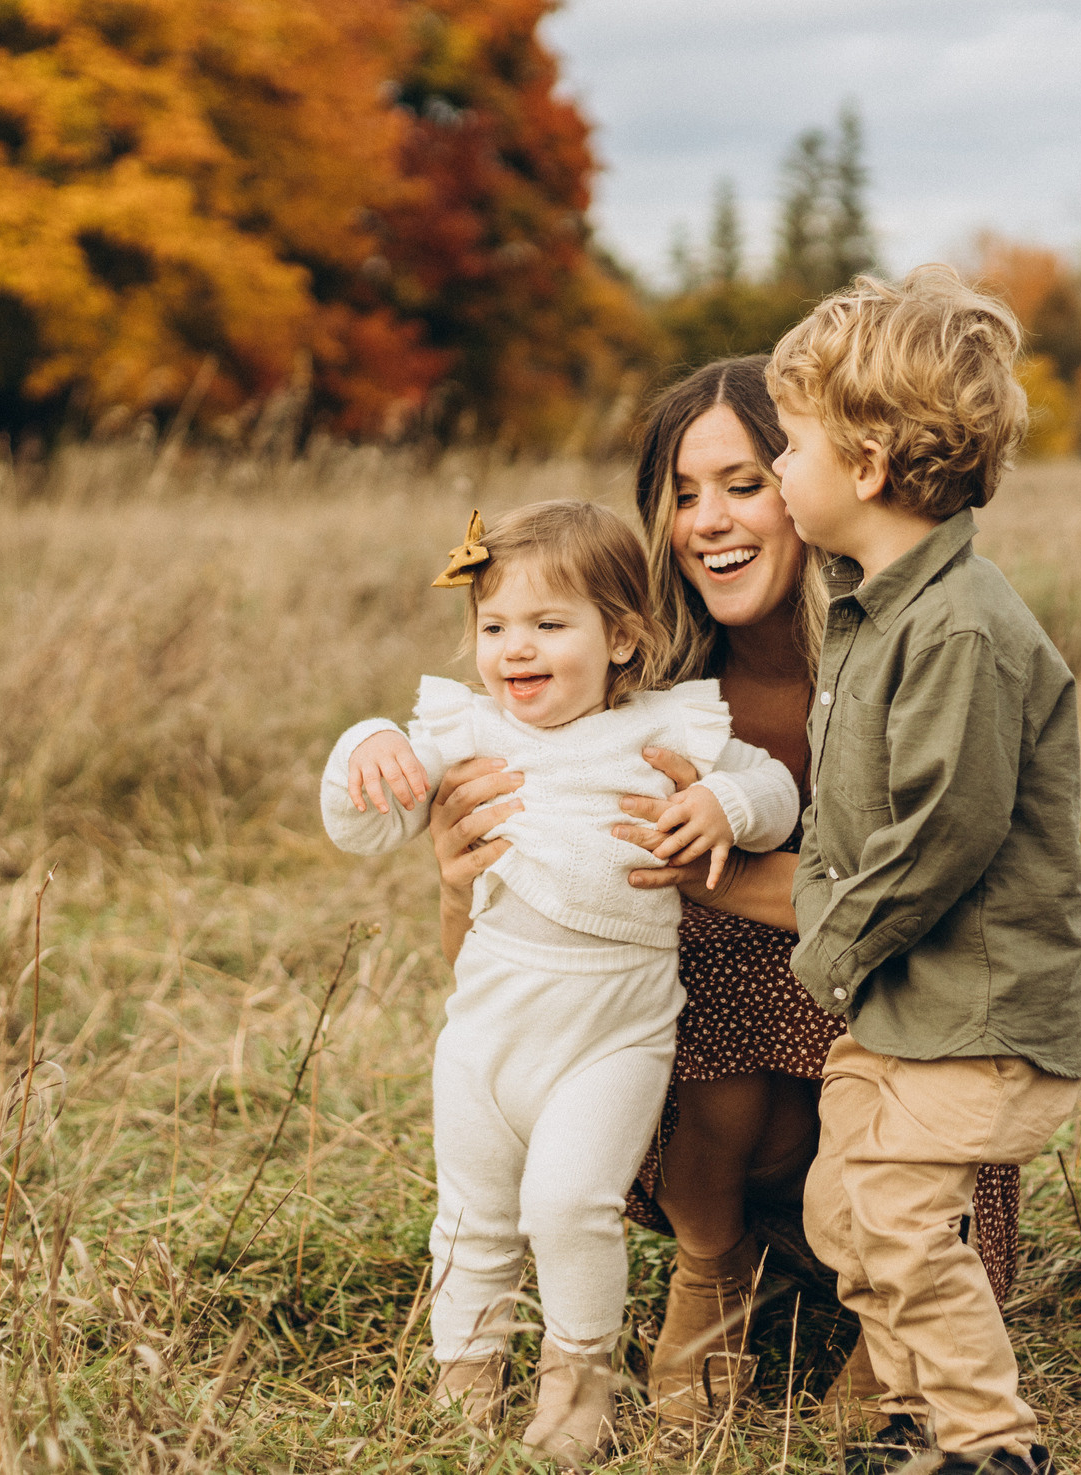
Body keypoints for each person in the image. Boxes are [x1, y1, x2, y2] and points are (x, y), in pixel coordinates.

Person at [418, 357, 1029, 1441]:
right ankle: (714, 1262)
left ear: (820, 476)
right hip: (684, 1026)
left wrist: (722, 872)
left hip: (880, 986)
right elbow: (501, 907)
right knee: (671, 1006)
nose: (709, 521)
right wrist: (466, 860)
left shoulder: (903, 646)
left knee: (828, 1019)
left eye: (745, 483)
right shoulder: (639, 680)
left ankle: (894, 1310)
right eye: (683, 493)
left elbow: (935, 893)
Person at [319, 500, 799, 1467]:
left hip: (613, 1035)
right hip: (486, 1035)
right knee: (471, 1215)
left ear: (622, 638)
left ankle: (578, 1380)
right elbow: (363, 825)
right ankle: (466, 1373)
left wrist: (722, 801)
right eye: (494, 626)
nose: (514, 650)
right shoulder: (464, 732)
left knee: (569, 1204)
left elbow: (777, 795)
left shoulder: (667, 730)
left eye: (549, 624)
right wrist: (364, 745)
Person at [768, 267, 1081, 1475]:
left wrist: (829, 945)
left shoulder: (959, 627)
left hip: (973, 1006)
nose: (776, 474)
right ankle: (911, 1420)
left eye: (788, 446)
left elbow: (940, 834)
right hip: (899, 1006)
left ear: (864, 464)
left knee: (902, 1226)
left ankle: (988, 1444)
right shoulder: (872, 612)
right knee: (843, 1213)